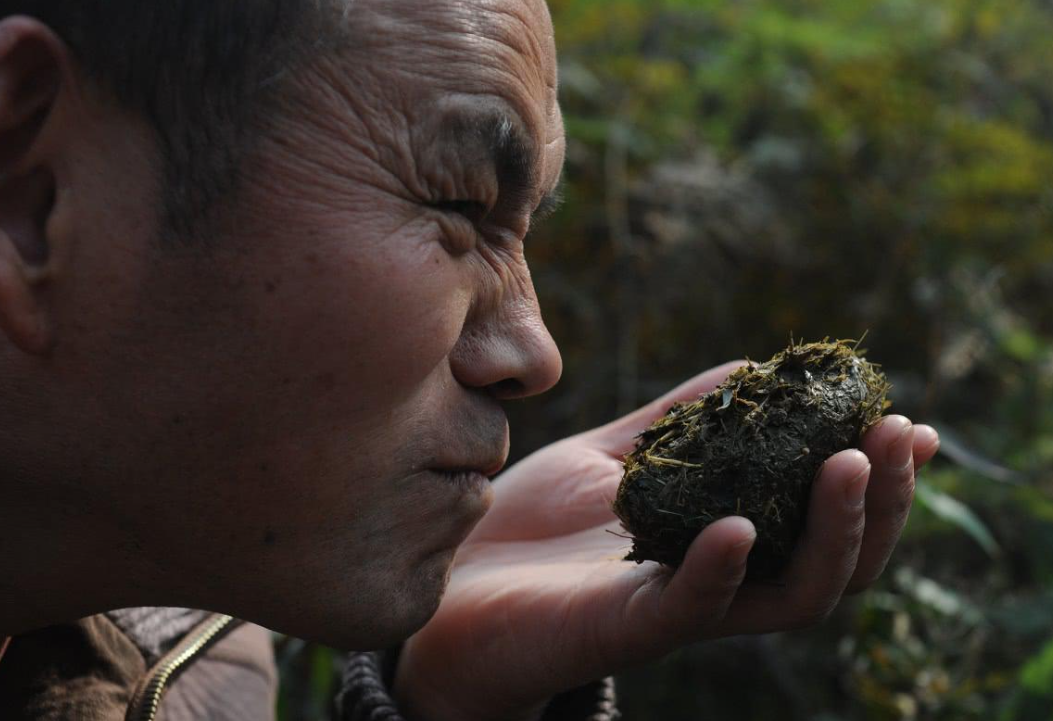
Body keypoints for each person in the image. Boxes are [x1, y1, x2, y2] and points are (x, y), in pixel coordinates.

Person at [0, 0, 939, 719]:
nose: (534, 354)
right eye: (460, 202)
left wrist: (446, 693)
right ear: (30, 198)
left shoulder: (202, 657)